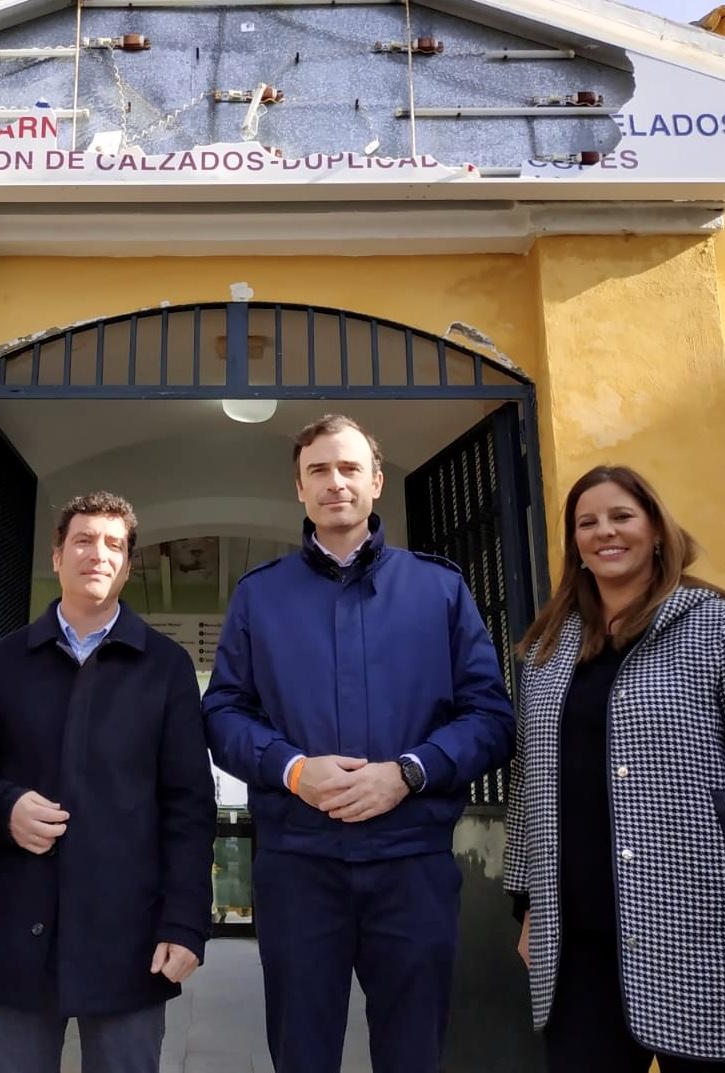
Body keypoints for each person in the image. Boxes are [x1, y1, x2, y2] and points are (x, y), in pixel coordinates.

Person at [203, 414, 516, 1073]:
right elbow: (224, 713)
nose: (335, 482)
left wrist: (408, 772)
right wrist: (292, 770)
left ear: (376, 481)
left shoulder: (440, 589)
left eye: (349, 468)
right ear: (299, 489)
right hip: (298, 866)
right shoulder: (260, 598)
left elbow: (491, 716)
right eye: (318, 469)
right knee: (301, 1053)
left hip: (411, 864)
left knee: (411, 1054)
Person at [502, 464, 725, 1072]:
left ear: (655, 529)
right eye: (586, 523)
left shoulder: (721, 628)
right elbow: (529, 786)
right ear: (574, 543)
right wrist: (529, 906)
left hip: (704, 940)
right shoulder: (548, 650)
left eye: (621, 516)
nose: (604, 532)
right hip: (578, 948)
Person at [0, 491, 216, 1073]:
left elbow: (189, 804)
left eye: (113, 544)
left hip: (129, 933)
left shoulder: (166, 666)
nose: (97, 554)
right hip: (14, 926)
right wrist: (3, 807)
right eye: (82, 540)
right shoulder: (4, 661)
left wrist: (185, 921)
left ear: (128, 563)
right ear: (57, 556)